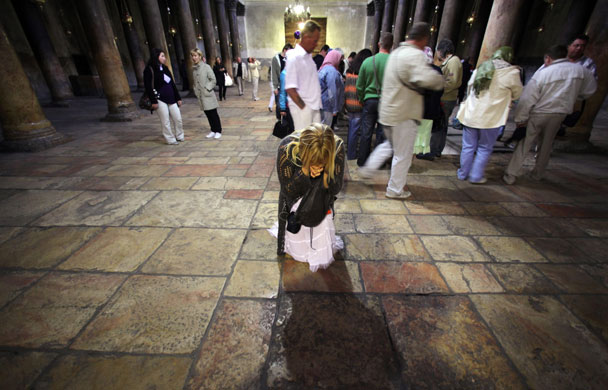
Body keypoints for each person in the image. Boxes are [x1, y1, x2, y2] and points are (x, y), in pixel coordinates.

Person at [358, 23, 443, 199]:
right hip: (404, 113)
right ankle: (395, 189)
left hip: (388, 111)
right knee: (402, 154)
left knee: (389, 145)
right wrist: (438, 78)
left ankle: (367, 170)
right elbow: (428, 79)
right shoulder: (414, 56)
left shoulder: (396, 54)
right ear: (424, 39)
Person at [503, 45, 597, 185]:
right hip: (560, 113)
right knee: (546, 145)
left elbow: (528, 98)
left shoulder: (544, 73)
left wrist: (520, 118)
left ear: (548, 58)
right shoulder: (580, 70)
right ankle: (537, 174)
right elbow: (590, 90)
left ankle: (511, 175)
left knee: (525, 144)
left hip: (539, 112)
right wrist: (575, 97)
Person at [271, 124, 345, 272]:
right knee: (298, 238)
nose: (317, 165)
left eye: (322, 161)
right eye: (312, 160)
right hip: (295, 206)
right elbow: (287, 190)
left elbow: (335, 189)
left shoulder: (337, 148)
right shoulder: (286, 148)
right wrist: (304, 171)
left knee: (319, 232)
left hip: (320, 205)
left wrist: (325, 174)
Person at [455, 47, 523, 184]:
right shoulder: (512, 73)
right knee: (484, 148)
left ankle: (463, 173)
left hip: (472, 114)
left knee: (468, 146)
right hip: (491, 118)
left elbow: (469, 87)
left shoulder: (481, 68)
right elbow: (518, 93)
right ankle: (475, 176)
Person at [356, 32, 393, 167]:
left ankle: (362, 161)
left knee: (366, 132)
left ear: (379, 44)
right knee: (382, 134)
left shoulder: (368, 61)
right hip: (387, 102)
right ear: (392, 45)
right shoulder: (394, 63)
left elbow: (359, 85)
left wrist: (361, 98)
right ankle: (378, 163)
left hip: (370, 101)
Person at [285, 20, 323, 131]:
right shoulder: (294, 57)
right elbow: (290, 88)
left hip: (314, 106)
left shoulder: (308, 58)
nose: (316, 44)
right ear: (306, 37)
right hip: (303, 107)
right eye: (315, 41)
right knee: (305, 143)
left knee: (316, 142)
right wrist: (304, 108)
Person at [143, 48, 183, 145]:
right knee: (165, 121)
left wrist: (178, 98)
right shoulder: (149, 69)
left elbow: (172, 84)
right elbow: (148, 87)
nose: (164, 58)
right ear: (156, 57)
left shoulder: (165, 68)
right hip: (159, 98)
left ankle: (179, 135)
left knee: (178, 118)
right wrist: (153, 101)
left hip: (171, 97)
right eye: (162, 56)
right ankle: (170, 139)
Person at [416, 46, 444, 161]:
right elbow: (441, 89)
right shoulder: (437, 70)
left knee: (420, 131)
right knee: (425, 131)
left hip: (421, 106)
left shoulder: (420, 70)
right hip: (433, 106)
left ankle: (419, 152)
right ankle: (422, 151)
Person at [435, 39, 462, 157]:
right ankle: (436, 149)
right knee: (440, 125)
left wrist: (438, 88)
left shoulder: (454, 62)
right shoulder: (449, 62)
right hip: (444, 97)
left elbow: (452, 82)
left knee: (440, 125)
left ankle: (436, 149)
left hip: (446, 98)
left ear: (441, 50)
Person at [345, 49, 373, 160]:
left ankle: (350, 151)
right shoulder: (362, 72)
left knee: (352, 128)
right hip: (358, 103)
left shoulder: (350, 70)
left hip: (349, 103)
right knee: (355, 130)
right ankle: (352, 155)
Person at [191, 49, 223, 140]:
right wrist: (195, 90)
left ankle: (218, 130)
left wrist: (207, 88)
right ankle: (213, 130)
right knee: (207, 113)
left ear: (200, 56)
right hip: (201, 96)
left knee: (213, 113)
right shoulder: (194, 69)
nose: (194, 58)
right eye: (192, 56)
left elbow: (213, 80)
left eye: (196, 55)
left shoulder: (206, 67)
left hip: (207, 94)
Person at [318, 50, 344, 128]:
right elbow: (332, 91)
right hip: (327, 106)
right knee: (325, 130)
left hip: (320, 104)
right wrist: (335, 108)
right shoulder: (331, 71)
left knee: (319, 128)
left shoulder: (322, 69)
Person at [271, 44, 293, 115]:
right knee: (279, 105)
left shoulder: (289, 58)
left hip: (287, 84)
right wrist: (275, 87)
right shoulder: (276, 59)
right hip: (279, 85)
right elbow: (273, 73)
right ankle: (280, 120)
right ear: (285, 50)